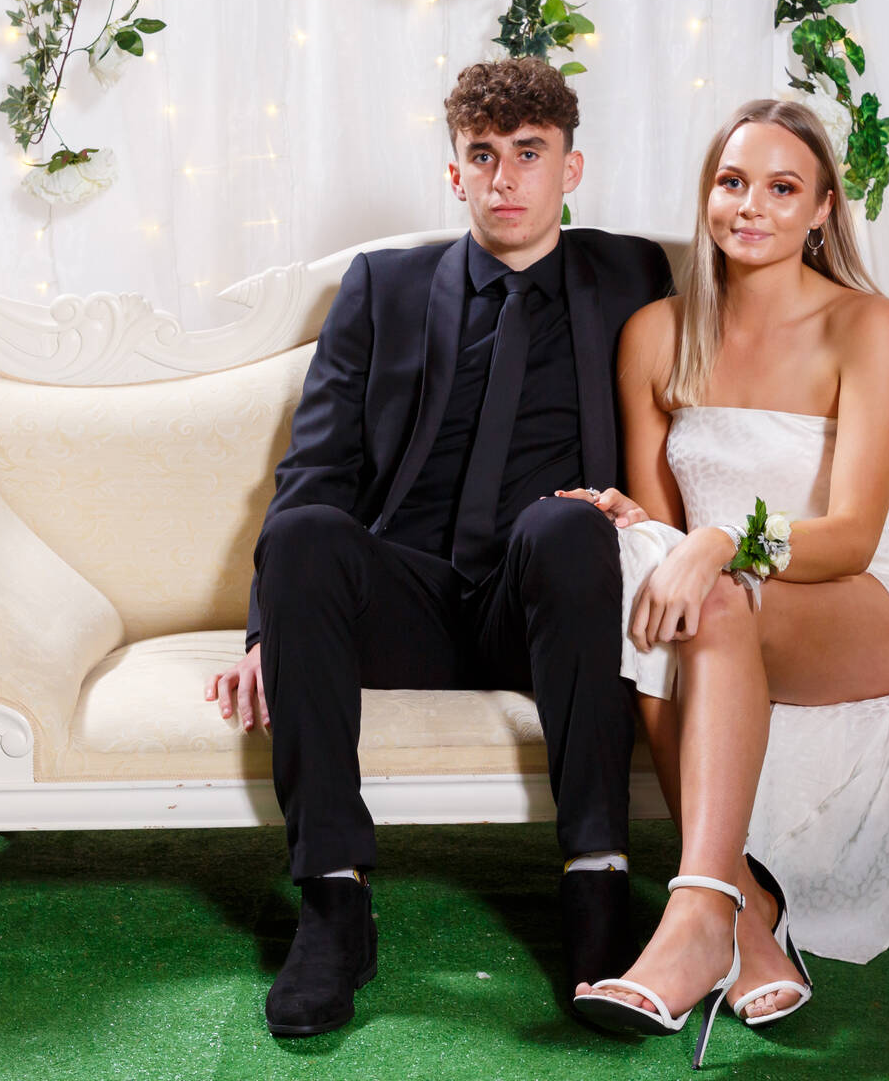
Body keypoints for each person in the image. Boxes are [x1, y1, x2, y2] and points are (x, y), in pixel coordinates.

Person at [205, 57, 674, 1038]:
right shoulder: (384, 285)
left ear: (572, 169)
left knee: (567, 522)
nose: (506, 178)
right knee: (303, 531)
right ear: (455, 173)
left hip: (548, 602)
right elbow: (315, 467)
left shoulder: (636, 276)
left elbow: (733, 388)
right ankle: (334, 904)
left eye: (530, 154)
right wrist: (269, 631)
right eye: (483, 156)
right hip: (408, 599)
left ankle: (597, 890)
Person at [564, 99, 889, 1068]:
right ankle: (738, 918)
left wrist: (721, 539)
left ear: (823, 209)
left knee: (707, 595)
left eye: (782, 187)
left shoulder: (866, 324)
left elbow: (854, 535)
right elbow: (666, 526)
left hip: (861, 595)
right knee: (660, 595)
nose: (751, 205)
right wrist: (638, 525)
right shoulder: (656, 334)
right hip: (728, 604)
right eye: (732, 181)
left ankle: (696, 920)